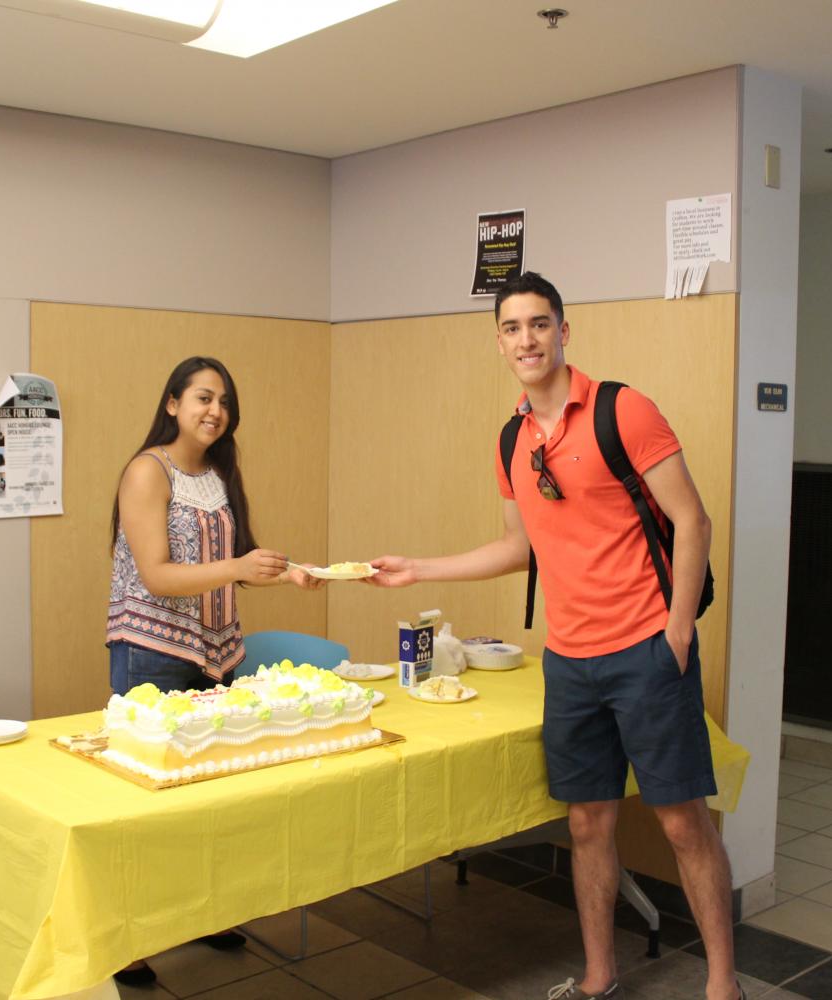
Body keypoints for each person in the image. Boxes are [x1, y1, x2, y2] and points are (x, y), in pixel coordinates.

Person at [368, 272, 741, 1000]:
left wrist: (676, 634)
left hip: (644, 651)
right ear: (500, 342)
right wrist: (419, 568)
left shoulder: (622, 411)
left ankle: (724, 983)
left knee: (683, 824)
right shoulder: (512, 437)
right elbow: (518, 546)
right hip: (568, 660)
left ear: (564, 332)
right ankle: (600, 976)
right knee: (587, 823)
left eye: (540, 324)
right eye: (512, 328)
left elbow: (692, 522)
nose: (526, 339)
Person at [105, 355, 321, 987]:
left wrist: (294, 572)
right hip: (153, 652)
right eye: (202, 397)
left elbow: (240, 557)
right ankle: (129, 938)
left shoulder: (221, 473)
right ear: (172, 403)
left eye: (223, 402)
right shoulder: (148, 471)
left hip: (216, 651)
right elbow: (158, 575)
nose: (214, 411)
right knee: (149, 802)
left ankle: (203, 912)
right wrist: (239, 569)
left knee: (212, 795)